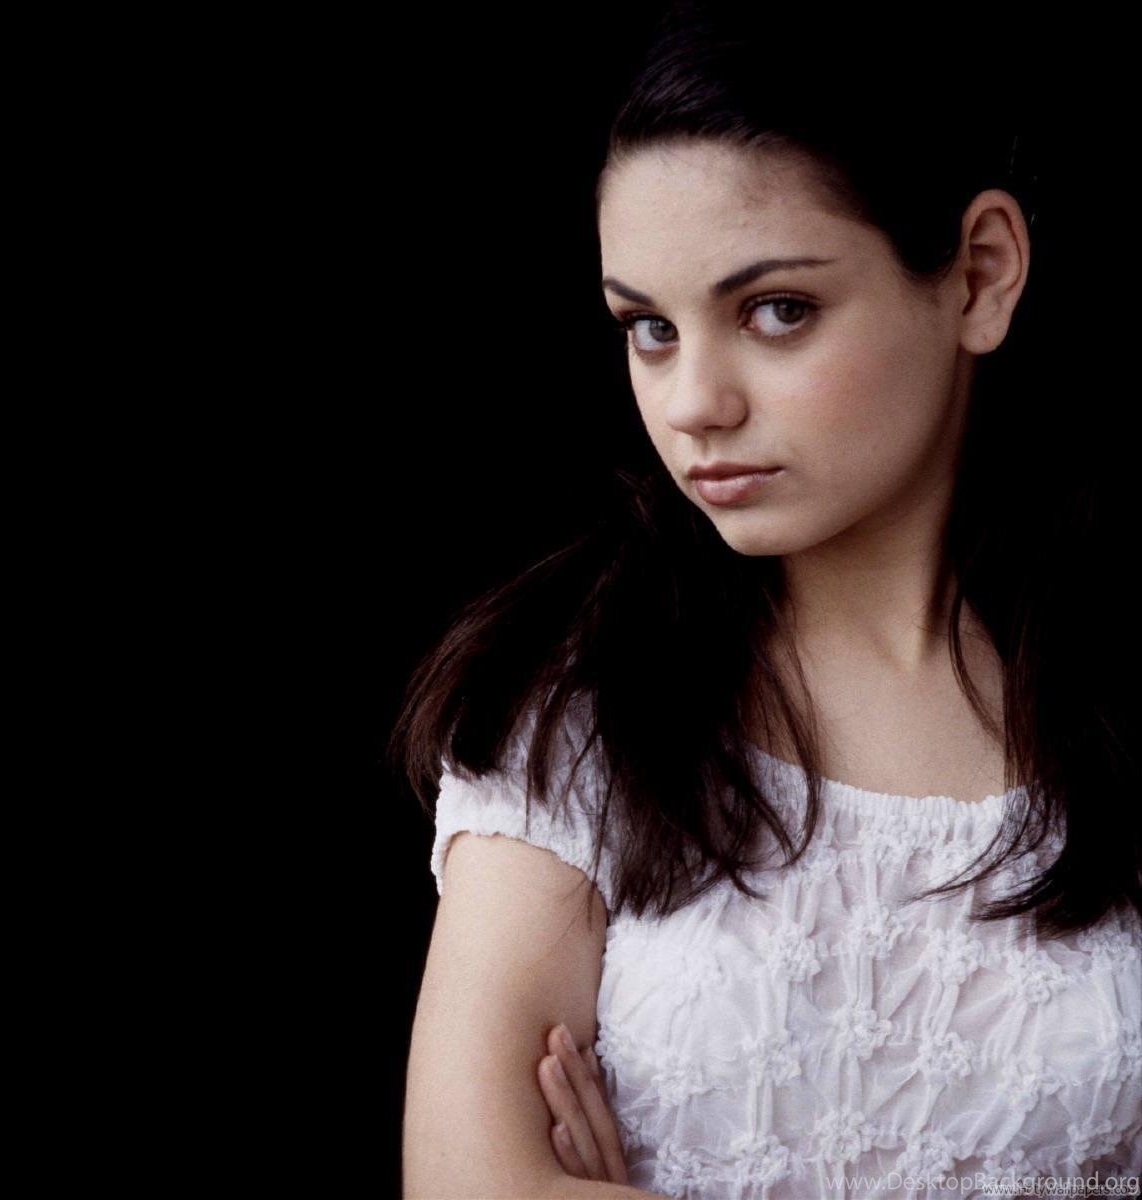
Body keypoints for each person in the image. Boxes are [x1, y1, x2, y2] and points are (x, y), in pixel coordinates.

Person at [396, 4, 1141, 1197]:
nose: (693, 402)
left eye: (775, 310)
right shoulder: (579, 704)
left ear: (980, 274)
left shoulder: (1111, 701)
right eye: (648, 327)